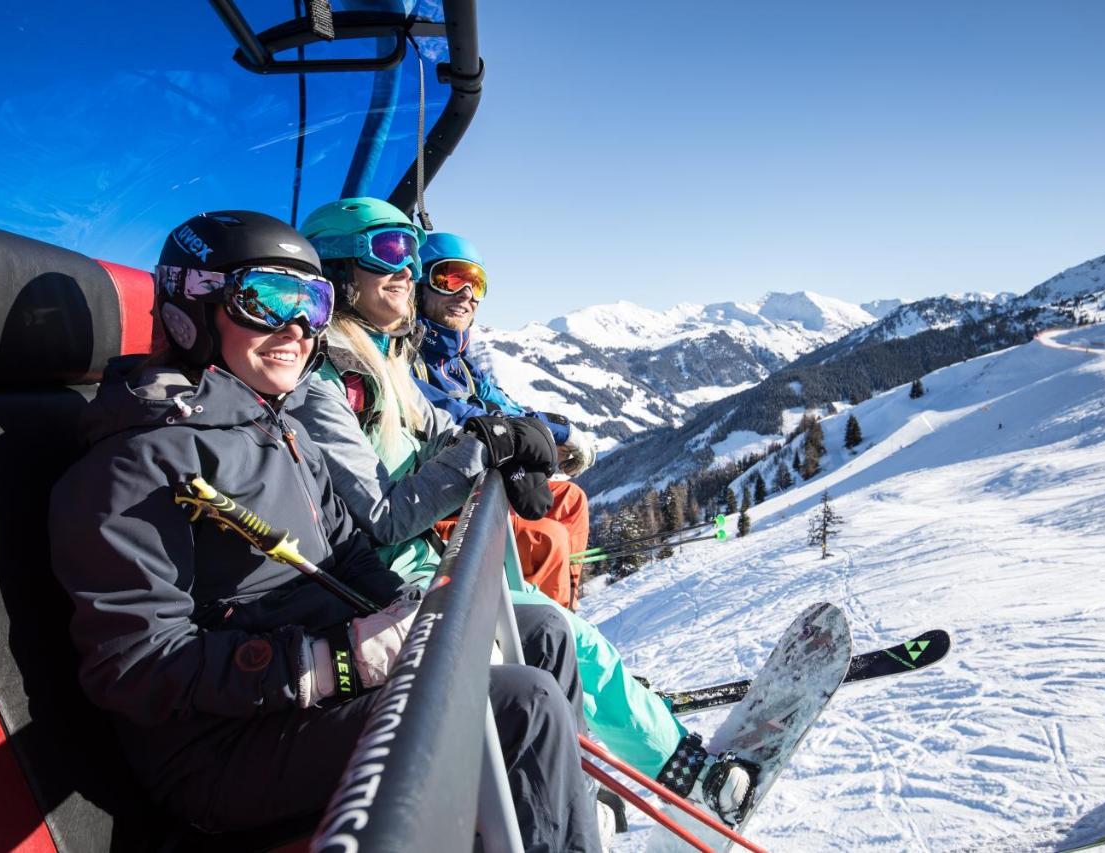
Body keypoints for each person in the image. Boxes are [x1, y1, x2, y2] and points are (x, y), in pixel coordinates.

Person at [48, 210, 599, 850]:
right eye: (266, 300)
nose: (296, 327)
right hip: (223, 751)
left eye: (313, 304)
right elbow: (134, 665)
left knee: (543, 632)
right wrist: (335, 661)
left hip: (310, 680)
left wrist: (411, 612)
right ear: (188, 305)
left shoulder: (278, 427)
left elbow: (347, 552)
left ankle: (560, 811)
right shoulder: (132, 463)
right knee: (517, 705)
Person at [295, 198, 759, 827]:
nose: (406, 268)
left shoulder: (383, 361)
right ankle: (670, 775)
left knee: (559, 631)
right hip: (397, 591)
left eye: (412, 249)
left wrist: (504, 437)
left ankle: (590, 771)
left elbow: (444, 429)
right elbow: (380, 518)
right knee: (560, 638)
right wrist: (485, 447)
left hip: (433, 569)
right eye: (391, 251)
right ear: (340, 270)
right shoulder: (330, 381)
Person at [412, 231, 598, 609]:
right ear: (418, 286)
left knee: (571, 501)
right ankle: (541, 636)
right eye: (449, 278)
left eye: (476, 283)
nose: (466, 294)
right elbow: (463, 416)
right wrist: (548, 432)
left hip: (479, 481)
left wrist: (555, 430)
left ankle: (565, 607)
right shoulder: (408, 360)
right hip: (440, 497)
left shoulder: (458, 365)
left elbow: (505, 408)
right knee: (547, 540)